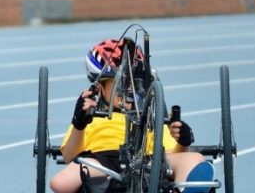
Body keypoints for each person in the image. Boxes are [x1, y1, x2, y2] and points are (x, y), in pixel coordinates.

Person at [49, 38, 214, 193]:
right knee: (60, 182)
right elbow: (69, 155)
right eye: (120, 83)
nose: (129, 88)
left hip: (150, 160)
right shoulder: (89, 117)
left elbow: (175, 155)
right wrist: (79, 123)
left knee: (196, 161)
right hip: (104, 161)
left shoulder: (151, 116)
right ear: (100, 87)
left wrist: (183, 142)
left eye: (134, 82)